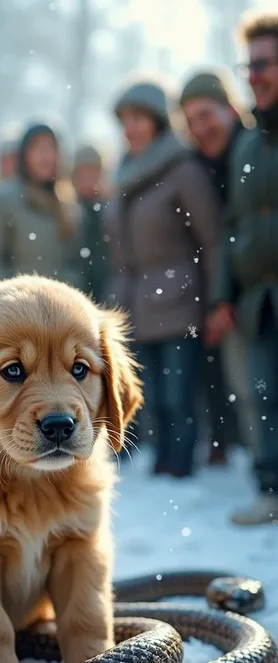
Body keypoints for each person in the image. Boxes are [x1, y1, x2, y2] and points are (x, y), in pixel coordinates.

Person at [107, 80, 221, 478]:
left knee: (178, 395)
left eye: (137, 118)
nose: (130, 128)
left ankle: (181, 465)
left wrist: (216, 301)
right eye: (124, 120)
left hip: (178, 298)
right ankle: (162, 462)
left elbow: (211, 240)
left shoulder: (182, 169)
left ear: (157, 121)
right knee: (151, 394)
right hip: (135, 302)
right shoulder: (122, 172)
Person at [208, 12, 278, 525]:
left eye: (265, 63)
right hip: (257, 298)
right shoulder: (248, 144)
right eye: (249, 64)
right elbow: (233, 227)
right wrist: (224, 294)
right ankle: (271, 488)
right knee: (263, 398)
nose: (253, 74)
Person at [180, 69, 257, 464]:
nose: (200, 128)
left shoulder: (258, 146)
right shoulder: (196, 167)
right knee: (247, 392)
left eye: (206, 115)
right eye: (191, 120)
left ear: (230, 108)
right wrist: (219, 299)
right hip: (225, 294)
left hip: (258, 284)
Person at [0, 123, 83, 289]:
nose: (46, 158)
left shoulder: (68, 203)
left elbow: (76, 264)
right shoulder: (6, 199)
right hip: (16, 306)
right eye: (39, 150)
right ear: (25, 155)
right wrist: (12, 301)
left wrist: (65, 295)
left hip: (58, 307)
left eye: (51, 150)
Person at [71, 145, 111, 304]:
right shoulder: (67, 210)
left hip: (108, 289)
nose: (88, 178)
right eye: (83, 173)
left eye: (93, 172)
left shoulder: (110, 209)